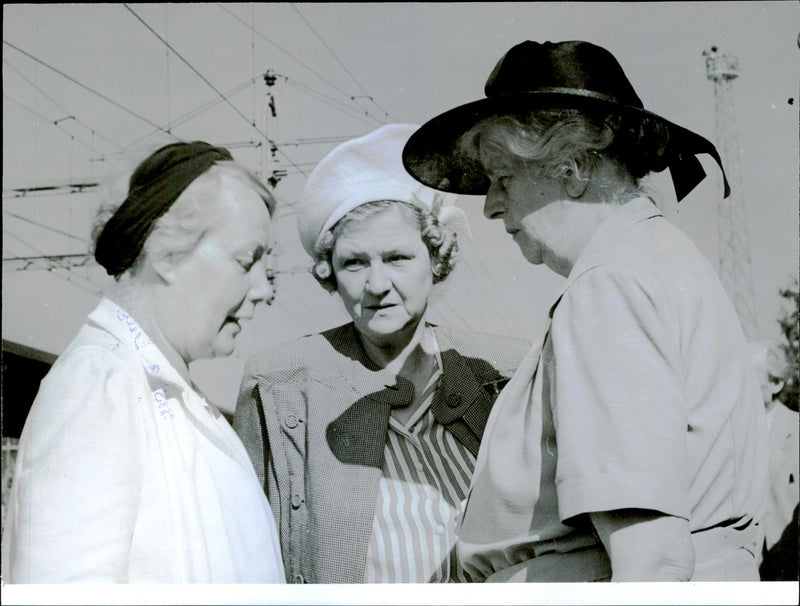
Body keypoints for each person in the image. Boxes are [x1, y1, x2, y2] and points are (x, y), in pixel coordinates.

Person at [403, 40, 769, 582]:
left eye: (503, 178)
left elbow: (653, 560)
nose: (491, 206)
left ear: (572, 169)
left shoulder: (607, 285)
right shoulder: (657, 257)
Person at [233, 124, 529, 583]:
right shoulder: (279, 386)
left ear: (436, 258)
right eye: (354, 263)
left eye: (397, 258)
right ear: (330, 272)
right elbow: (251, 555)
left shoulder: (508, 372)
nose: (376, 285)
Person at [1, 141, 285, 583]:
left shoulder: (158, 385)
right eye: (246, 261)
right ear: (166, 254)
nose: (265, 288)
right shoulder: (98, 386)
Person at [748, 338, 799, 580]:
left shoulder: (796, 429)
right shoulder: (729, 431)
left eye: (750, 376)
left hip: (786, 561)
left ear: (776, 384)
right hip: (743, 561)